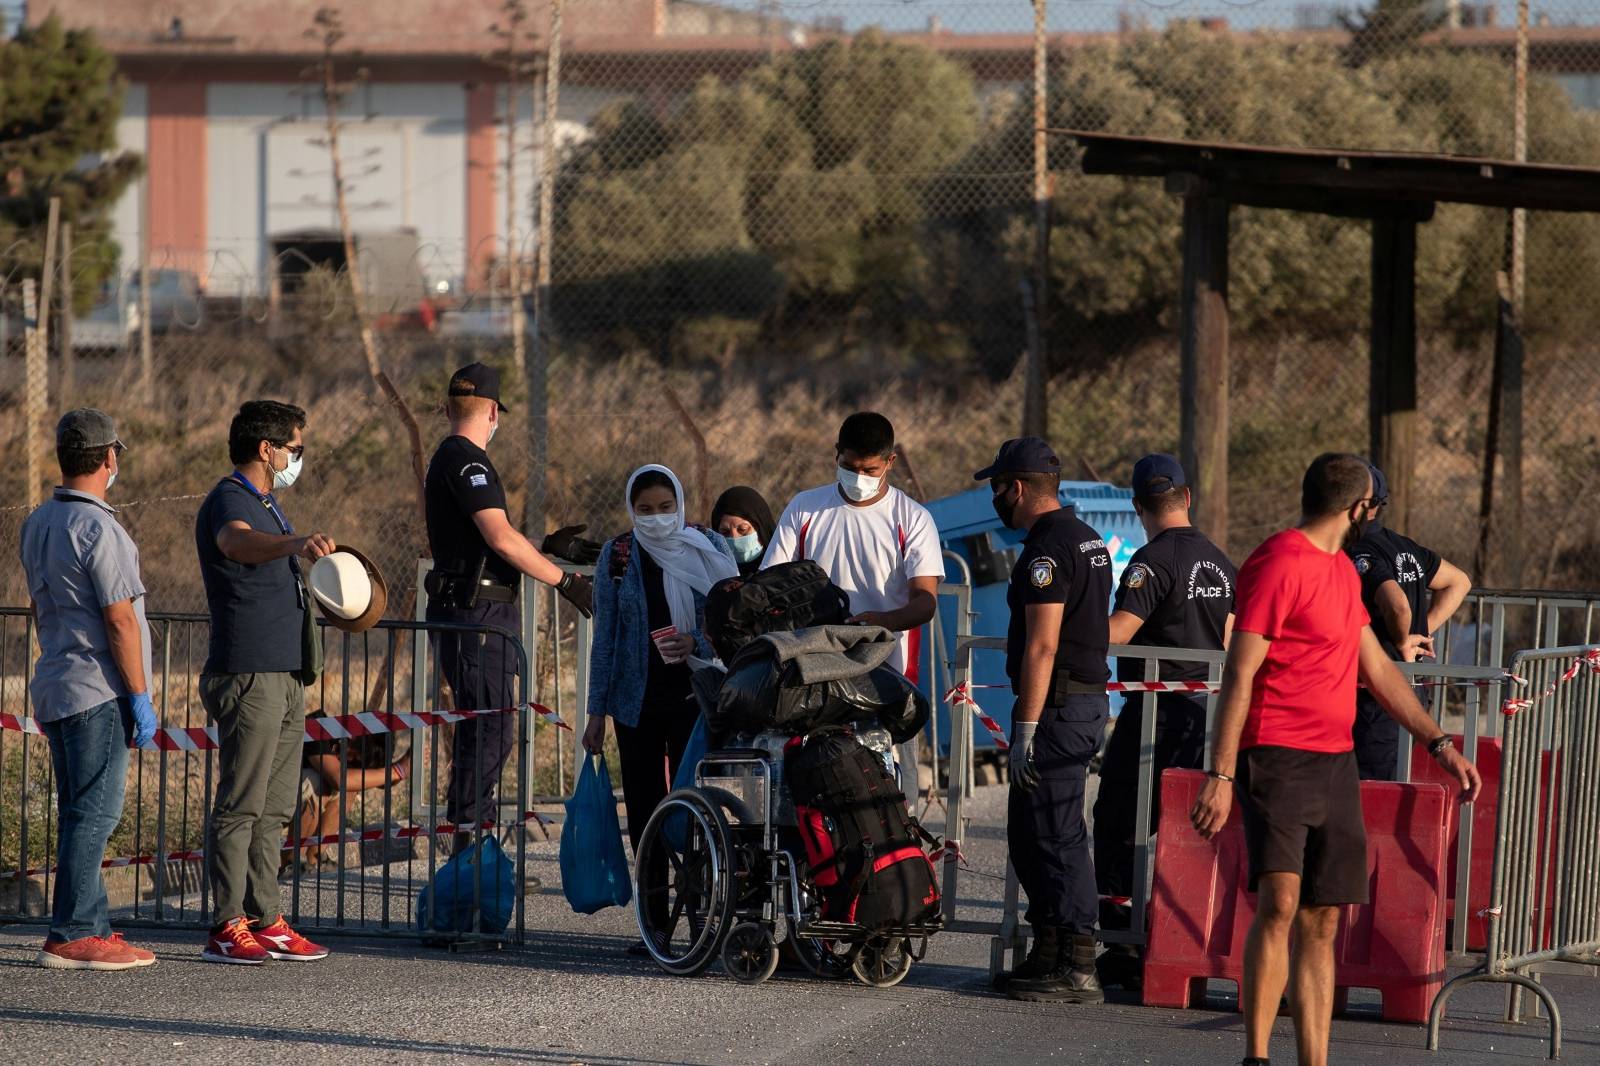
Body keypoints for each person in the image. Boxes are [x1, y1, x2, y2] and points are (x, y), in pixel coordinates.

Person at [1189, 453, 1481, 1066]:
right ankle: (1257, 1056)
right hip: (1276, 757)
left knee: (1324, 919)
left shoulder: (1342, 573)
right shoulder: (1277, 562)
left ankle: (1314, 1060)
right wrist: (1219, 774)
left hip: (1336, 760)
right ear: (1356, 509)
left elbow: (1377, 668)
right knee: (1280, 906)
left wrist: (1440, 743)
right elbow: (1240, 675)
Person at [423, 362, 593, 847]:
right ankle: (471, 852)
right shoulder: (469, 460)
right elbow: (499, 538)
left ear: (448, 407)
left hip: (474, 610)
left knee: (487, 729)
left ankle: (472, 850)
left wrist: (545, 543)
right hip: (477, 616)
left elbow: (481, 539)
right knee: (490, 729)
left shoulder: (449, 457)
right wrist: (565, 581)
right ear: (493, 411)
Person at [18, 409, 159, 971]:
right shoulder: (101, 529)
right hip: (96, 689)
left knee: (81, 809)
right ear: (108, 458)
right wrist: (140, 693)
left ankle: (92, 922)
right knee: (95, 814)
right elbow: (120, 618)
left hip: (55, 682)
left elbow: (38, 605)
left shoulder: (38, 523)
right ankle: (73, 931)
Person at [195, 400, 334, 965]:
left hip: (284, 674)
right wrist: (292, 544)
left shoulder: (268, 503)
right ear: (266, 449)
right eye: (293, 448)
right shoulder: (233, 499)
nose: (297, 457)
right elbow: (233, 542)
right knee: (242, 803)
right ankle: (228, 922)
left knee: (276, 806)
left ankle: (265, 917)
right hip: (249, 673)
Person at [1093, 453, 1235, 991]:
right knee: (1185, 832)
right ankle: (1184, 947)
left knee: (1119, 824)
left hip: (1154, 716)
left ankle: (1126, 944)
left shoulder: (1150, 562)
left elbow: (1119, 632)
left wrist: (1068, 639)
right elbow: (1233, 640)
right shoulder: (1221, 563)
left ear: (1137, 508)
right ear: (1188, 498)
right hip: (1207, 717)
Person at [582, 465, 738, 954]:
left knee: (697, 812)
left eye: (664, 508)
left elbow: (731, 618)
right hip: (637, 703)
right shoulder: (618, 555)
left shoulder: (708, 547)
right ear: (632, 509)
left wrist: (698, 643)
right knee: (646, 812)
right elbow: (604, 636)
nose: (655, 518)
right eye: (645, 510)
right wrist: (595, 712)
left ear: (681, 505)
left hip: (696, 696)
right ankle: (655, 924)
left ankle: (702, 920)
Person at [978, 437, 1110, 1005]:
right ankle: (1049, 949)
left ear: (1020, 488)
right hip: (1073, 705)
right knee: (1032, 833)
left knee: (1057, 835)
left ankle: (1078, 962)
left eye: (998, 487)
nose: (995, 498)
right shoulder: (1086, 538)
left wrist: (1025, 730)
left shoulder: (1049, 550)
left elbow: (1042, 646)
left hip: (1057, 708)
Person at [762, 412, 943, 782]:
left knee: (891, 786)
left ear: (890, 462)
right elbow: (771, 581)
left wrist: (881, 623)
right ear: (836, 454)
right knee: (817, 780)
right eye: (849, 466)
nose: (859, 478)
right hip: (814, 670)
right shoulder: (804, 508)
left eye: (870, 469)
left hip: (886, 676)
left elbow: (925, 601)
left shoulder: (913, 518)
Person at [1347, 463, 1473, 780]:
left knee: (1372, 791)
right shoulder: (1404, 545)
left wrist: (1404, 637)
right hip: (1411, 692)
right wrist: (1423, 631)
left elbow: (1397, 605)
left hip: (1377, 697)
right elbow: (1459, 582)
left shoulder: (1361, 550)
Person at [284, 712, 411, 874]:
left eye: (357, 758)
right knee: (318, 782)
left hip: (289, 799)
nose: (350, 758)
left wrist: (404, 767)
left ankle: (314, 859)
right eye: (354, 750)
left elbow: (369, 780)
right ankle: (291, 862)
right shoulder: (319, 727)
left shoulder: (349, 751)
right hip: (269, 797)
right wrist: (397, 771)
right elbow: (339, 779)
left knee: (350, 788)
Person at [710, 485, 776, 577]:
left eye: (742, 529)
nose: (734, 539)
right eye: (725, 532)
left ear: (761, 528)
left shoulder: (784, 572)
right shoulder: (711, 575)